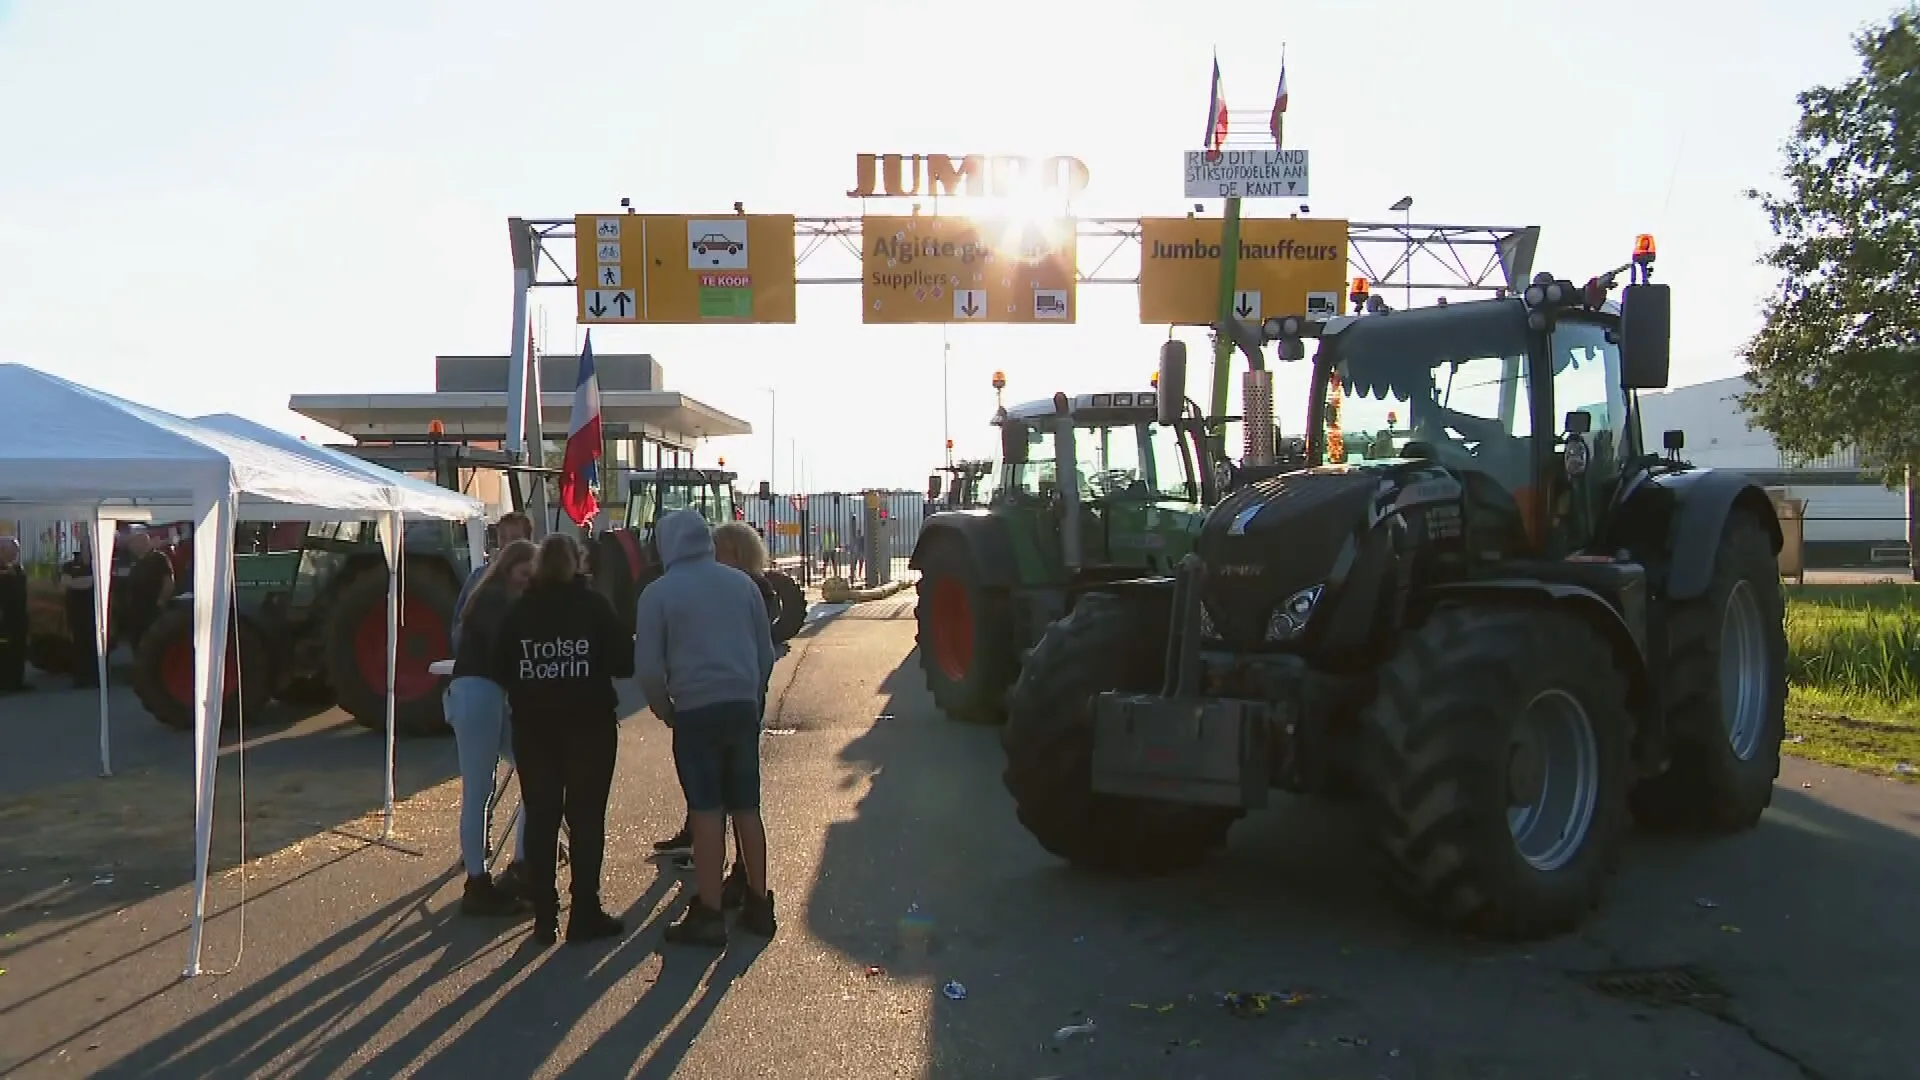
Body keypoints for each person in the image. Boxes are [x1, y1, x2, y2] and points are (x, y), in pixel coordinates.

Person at [636, 510, 777, 946]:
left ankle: (711, 912)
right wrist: (752, 695)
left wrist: (665, 710)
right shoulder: (743, 585)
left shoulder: (658, 594)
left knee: (706, 812)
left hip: (695, 711)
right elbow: (765, 654)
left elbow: (649, 670)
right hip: (739, 706)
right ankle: (759, 902)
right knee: (746, 808)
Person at [492, 534, 633, 946]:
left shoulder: (519, 611)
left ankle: (544, 916)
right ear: (577, 562)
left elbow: (499, 667)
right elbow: (623, 661)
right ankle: (584, 911)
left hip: (534, 727)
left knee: (541, 818)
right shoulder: (593, 607)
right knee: (586, 818)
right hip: (589, 724)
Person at [448, 538, 538, 916]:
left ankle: (512, 868)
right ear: (510, 567)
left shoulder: (491, 597)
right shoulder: (499, 601)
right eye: (525, 571)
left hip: (478, 693)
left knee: (531, 774)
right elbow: (512, 653)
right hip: (481, 693)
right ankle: (481, 881)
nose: (529, 579)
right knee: (481, 790)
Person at [453, 511, 533, 648]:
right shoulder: (478, 576)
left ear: (528, 540)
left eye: (515, 538)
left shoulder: (536, 577)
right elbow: (459, 622)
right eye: (503, 537)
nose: (508, 544)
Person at [119, 529, 174, 652]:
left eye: (134, 543)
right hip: (136, 614)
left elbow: (168, 582)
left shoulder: (159, 558)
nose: (131, 547)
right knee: (138, 646)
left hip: (151, 612)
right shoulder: (136, 564)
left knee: (152, 647)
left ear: (143, 543)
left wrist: (160, 602)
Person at [60, 543, 97, 689]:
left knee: (94, 644)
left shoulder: (98, 564)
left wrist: (77, 582)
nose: (88, 551)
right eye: (86, 548)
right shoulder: (69, 565)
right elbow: (66, 581)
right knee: (78, 643)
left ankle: (95, 677)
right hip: (75, 611)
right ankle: (80, 677)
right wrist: (86, 582)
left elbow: (94, 581)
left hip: (93, 612)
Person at [0, 537, 28, 694]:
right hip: (3, 617)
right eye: (12, 551)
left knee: (18, 647)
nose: (15, 555)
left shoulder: (18, 568)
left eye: (16, 552)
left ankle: (17, 681)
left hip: (19, 615)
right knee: (4, 648)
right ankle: (4, 682)